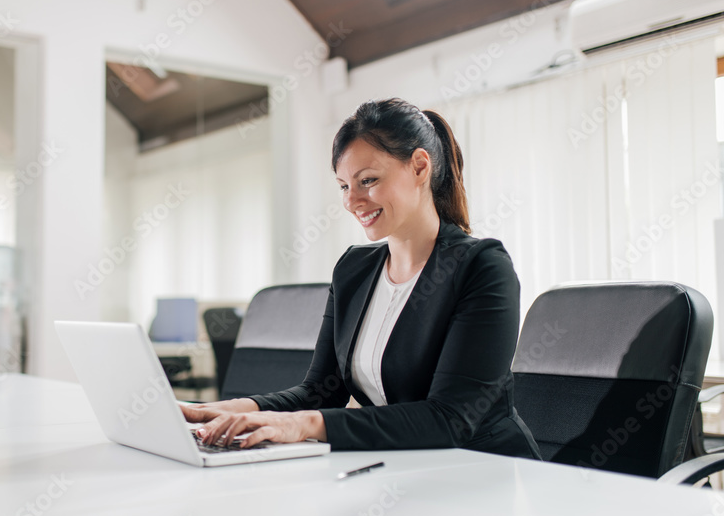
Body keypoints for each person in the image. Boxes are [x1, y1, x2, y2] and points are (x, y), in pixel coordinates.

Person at [181, 98, 541, 459]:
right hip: (408, 467)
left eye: (367, 181)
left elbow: (450, 420)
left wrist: (306, 426)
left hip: (488, 471)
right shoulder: (354, 269)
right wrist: (231, 409)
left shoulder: (481, 268)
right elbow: (322, 392)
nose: (352, 201)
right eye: (342, 186)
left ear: (419, 167)